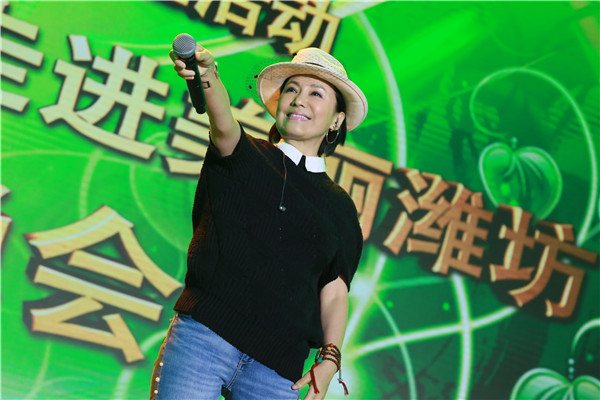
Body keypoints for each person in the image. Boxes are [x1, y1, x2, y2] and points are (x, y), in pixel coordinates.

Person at [150, 42, 368, 400]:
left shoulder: (341, 207)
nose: (299, 100)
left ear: (337, 120)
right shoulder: (244, 154)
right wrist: (208, 76)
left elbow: (334, 290)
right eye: (292, 90)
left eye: (316, 93)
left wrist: (330, 358)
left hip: (277, 369)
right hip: (203, 340)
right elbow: (222, 122)